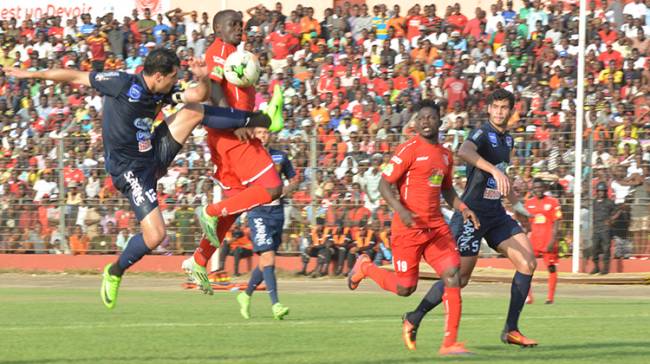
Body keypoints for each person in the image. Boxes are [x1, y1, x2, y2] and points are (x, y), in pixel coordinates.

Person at [6, 48, 278, 309]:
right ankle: (115, 271)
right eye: (173, 77)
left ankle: (257, 119)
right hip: (130, 170)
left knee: (194, 109)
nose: (175, 82)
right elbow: (75, 76)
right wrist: (29, 75)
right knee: (156, 235)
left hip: (154, 152)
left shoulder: (163, 90)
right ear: (158, 76)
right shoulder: (121, 83)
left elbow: (199, 94)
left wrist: (203, 77)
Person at [400, 89, 538, 348]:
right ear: (489, 109)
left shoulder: (507, 141)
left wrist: (519, 208)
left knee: (528, 262)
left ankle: (511, 329)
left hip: (496, 213)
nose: (499, 111)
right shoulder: (481, 134)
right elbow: (464, 151)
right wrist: (491, 171)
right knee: (459, 278)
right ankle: (414, 317)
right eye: (495, 107)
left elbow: (500, 181)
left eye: (504, 108)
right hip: (471, 214)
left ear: (510, 111)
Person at [347, 99, 479, 355]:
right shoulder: (408, 149)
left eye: (431, 117)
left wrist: (463, 208)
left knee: (453, 274)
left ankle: (449, 342)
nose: (426, 121)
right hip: (408, 229)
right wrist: (401, 210)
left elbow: (447, 189)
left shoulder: (445, 155)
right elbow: (385, 185)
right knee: (405, 288)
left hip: (435, 229)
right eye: (421, 118)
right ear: (415, 124)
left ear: (440, 121)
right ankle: (365, 267)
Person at [185, 10, 287, 295]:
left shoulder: (233, 53)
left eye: (241, 25)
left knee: (233, 207)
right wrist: (235, 122)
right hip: (232, 136)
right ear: (217, 27)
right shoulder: (219, 50)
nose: (239, 28)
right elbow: (215, 87)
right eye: (233, 24)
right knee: (272, 187)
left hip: (231, 134)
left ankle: (199, 259)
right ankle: (209, 210)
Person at [236, 127, 300, 320]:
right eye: (259, 133)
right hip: (258, 212)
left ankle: (245, 295)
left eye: (266, 133)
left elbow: (295, 179)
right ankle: (276, 305)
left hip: (277, 212)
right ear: (253, 135)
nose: (263, 136)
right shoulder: (247, 157)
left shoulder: (280, 156)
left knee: (266, 260)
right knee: (269, 257)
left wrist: (285, 190)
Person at [525, 178, 561, 304]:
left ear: (544, 188)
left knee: (551, 268)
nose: (538, 190)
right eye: (536, 188)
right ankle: (528, 297)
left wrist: (552, 240)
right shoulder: (528, 203)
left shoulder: (553, 202)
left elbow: (557, 223)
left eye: (540, 187)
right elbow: (527, 224)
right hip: (534, 241)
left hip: (548, 241)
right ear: (533, 189)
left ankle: (550, 298)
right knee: (525, 267)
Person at [592, 181, 616, 275]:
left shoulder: (609, 202)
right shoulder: (594, 202)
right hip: (596, 228)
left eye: (603, 191)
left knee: (606, 249)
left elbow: (618, 210)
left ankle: (605, 268)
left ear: (606, 191)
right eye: (599, 191)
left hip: (605, 229)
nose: (601, 193)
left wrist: (611, 219)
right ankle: (596, 267)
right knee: (594, 249)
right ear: (597, 191)